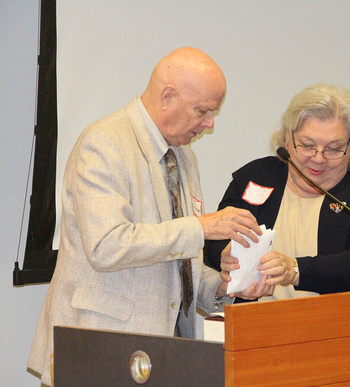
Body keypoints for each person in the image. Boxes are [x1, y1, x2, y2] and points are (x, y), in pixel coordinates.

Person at [27, 47, 271, 386]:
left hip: (161, 356)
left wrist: (223, 287)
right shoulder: (104, 143)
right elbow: (107, 246)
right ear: (168, 96)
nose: (210, 123)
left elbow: (177, 261)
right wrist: (201, 227)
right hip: (99, 351)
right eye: (202, 111)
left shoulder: (183, 156)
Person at [205, 83, 350, 301]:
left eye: (334, 149)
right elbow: (216, 238)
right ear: (287, 139)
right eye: (307, 145)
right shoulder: (257, 176)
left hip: (342, 325)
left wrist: (295, 269)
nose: (319, 158)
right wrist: (225, 255)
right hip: (258, 324)